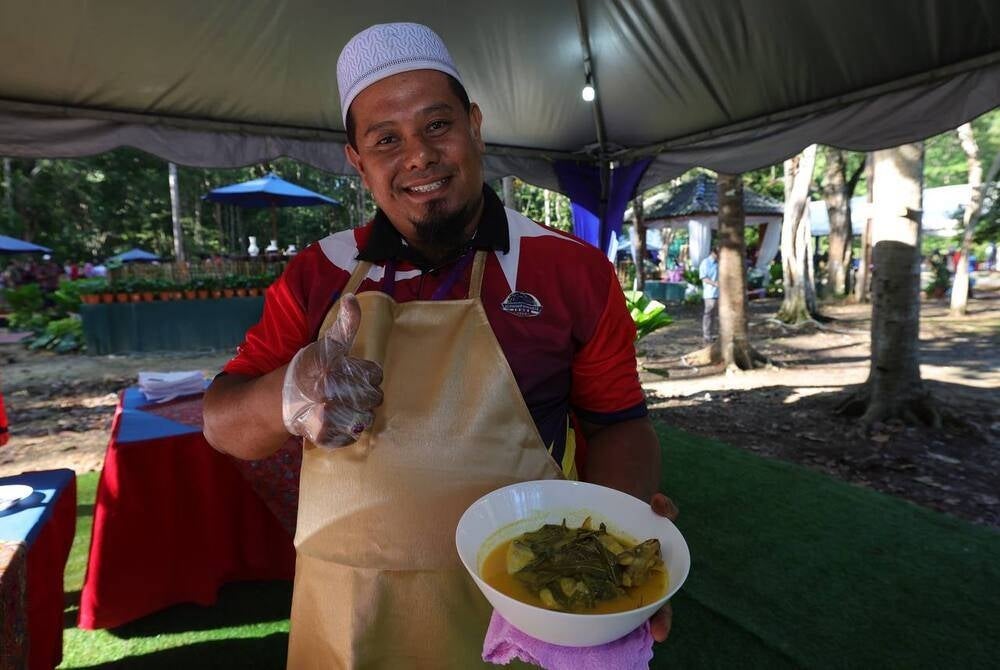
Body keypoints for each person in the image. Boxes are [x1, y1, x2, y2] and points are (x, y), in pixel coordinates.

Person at [203, 22, 677, 669]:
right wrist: (287, 395)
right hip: (355, 599)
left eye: (437, 126)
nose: (419, 156)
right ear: (356, 159)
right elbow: (224, 424)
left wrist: (615, 542)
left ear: (474, 125)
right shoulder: (316, 275)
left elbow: (620, 423)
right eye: (386, 139)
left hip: (527, 592)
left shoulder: (570, 271)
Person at [699, 245, 720, 344]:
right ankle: (707, 335)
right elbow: (703, 277)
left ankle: (715, 333)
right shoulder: (705, 263)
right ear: (713, 252)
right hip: (710, 293)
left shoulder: (720, 263)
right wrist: (714, 283)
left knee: (717, 314)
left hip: (720, 293)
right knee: (709, 313)